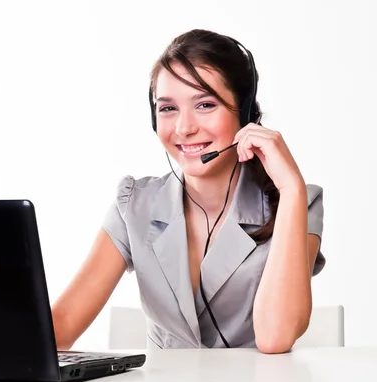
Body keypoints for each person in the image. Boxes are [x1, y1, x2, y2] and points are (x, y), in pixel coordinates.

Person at [50, 29, 325, 354]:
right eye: (168, 109)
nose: (184, 128)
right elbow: (62, 325)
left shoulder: (296, 202)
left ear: (246, 113)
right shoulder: (134, 204)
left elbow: (275, 337)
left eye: (205, 104)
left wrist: (291, 187)